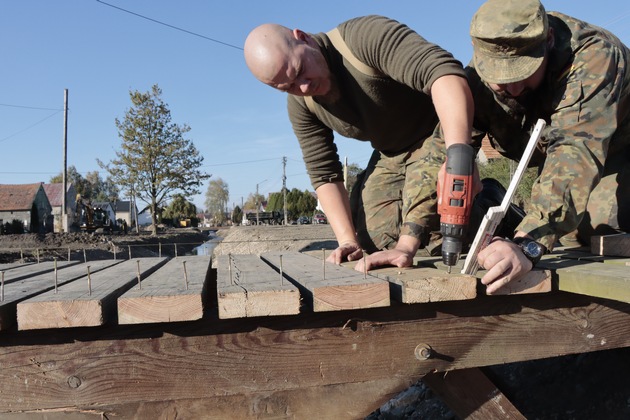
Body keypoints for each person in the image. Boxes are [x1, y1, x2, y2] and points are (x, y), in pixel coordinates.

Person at [244, 15, 475, 271]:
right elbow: (324, 174)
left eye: (300, 71)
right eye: (288, 87)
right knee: (373, 238)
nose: (304, 86)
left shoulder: (363, 38)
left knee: (430, 223)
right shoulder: (302, 105)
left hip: (441, 128)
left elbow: (444, 74)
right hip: (391, 153)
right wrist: (346, 241)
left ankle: (486, 205)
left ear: (304, 38)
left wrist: (459, 160)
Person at [466, 0, 630, 293]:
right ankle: (506, 210)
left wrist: (528, 243)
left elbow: (575, 151)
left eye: (522, 71)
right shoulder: (478, 70)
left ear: (549, 41)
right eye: (501, 80)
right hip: (552, 153)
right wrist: (410, 236)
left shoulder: (594, 55)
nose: (513, 89)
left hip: (617, 151)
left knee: (593, 228)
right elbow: (442, 147)